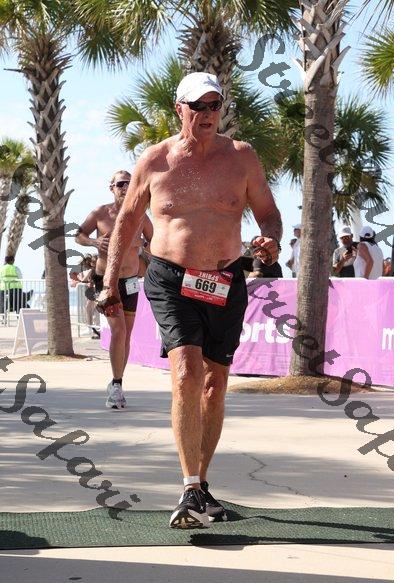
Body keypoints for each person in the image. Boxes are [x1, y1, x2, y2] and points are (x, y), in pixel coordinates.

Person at [97, 72, 282, 529]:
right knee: (185, 372)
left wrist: (270, 240)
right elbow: (126, 222)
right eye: (198, 106)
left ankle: (201, 484)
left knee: (215, 385)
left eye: (214, 105)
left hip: (224, 279)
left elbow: (268, 213)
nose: (207, 114)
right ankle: (188, 486)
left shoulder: (241, 157)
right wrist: (108, 283)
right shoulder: (155, 160)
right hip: (170, 278)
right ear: (179, 109)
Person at [76, 170, 153, 409]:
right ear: (111, 187)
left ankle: (117, 381)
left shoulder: (140, 215)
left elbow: (155, 241)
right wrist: (94, 241)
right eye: (120, 184)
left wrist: (144, 245)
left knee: (126, 334)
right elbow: (79, 235)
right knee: (118, 330)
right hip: (106, 281)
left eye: (129, 183)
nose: (125, 187)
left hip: (130, 281)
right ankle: (117, 386)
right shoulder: (100, 213)